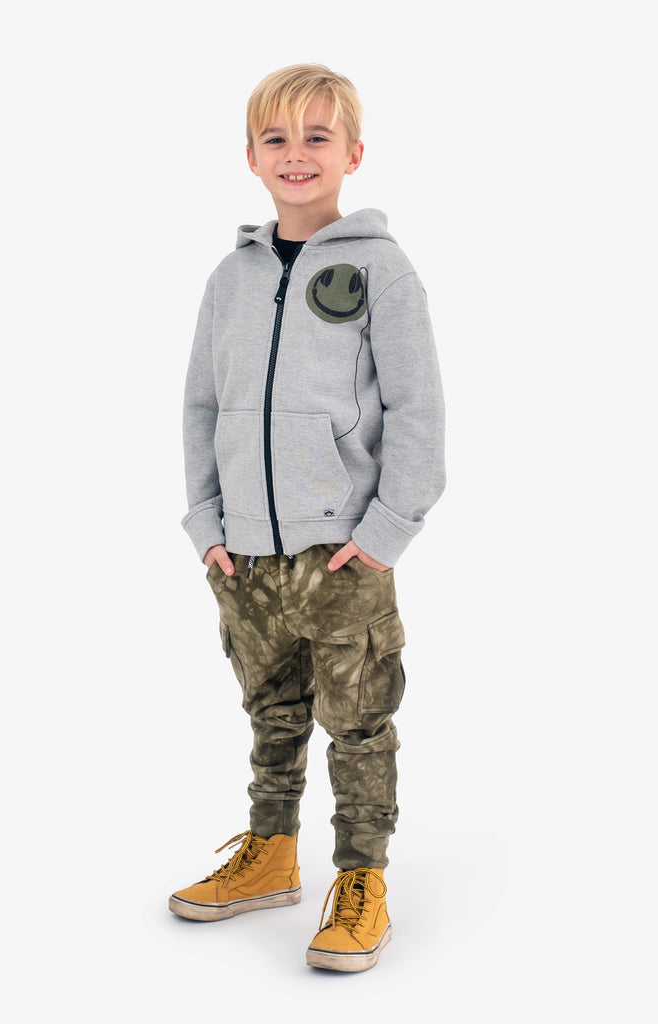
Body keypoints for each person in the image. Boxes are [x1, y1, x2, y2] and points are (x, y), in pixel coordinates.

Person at [170, 64, 445, 973]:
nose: (297, 154)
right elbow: (202, 406)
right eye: (277, 138)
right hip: (244, 554)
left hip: (342, 554)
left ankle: (362, 880)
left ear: (353, 154)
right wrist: (207, 523)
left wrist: (386, 532)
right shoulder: (230, 279)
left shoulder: (382, 272)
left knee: (358, 723)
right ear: (251, 156)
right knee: (272, 713)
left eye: (317, 137)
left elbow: (417, 412)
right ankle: (272, 854)